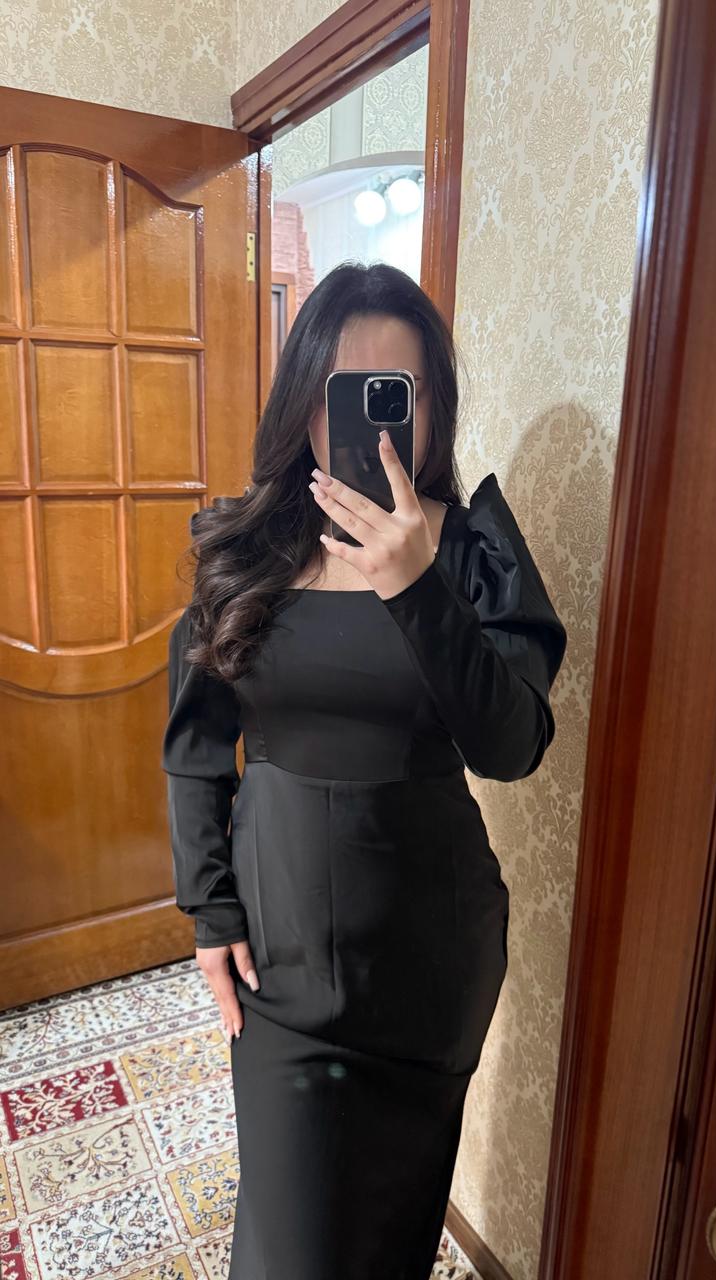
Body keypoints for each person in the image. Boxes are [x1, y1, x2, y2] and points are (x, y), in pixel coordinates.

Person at [160, 261, 567, 1279]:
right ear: (306, 401)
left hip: (429, 966)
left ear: (434, 407)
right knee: (288, 1248)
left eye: (401, 395)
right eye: (350, 393)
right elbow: (197, 748)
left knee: (386, 1238)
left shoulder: (472, 553)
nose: (378, 427)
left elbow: (511, 746)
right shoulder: (248, 550)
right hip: (283, 963)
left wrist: (417, 585)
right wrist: (209, 911)